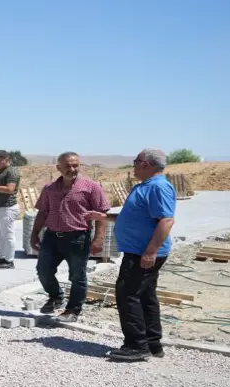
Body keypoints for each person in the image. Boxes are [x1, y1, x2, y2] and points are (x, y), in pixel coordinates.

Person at [85, 149, 175, 361]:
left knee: (128, 295)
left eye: (136, 162)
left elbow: (166, 221)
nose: (133, 166)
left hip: (143, 253)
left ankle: (136, 345)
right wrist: (105, 217)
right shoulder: (145, 186)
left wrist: (150, 251)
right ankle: (152, 343)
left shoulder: (158, 187)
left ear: (146, 164)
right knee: (145, 296)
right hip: (139, 252)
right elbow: (136, 217)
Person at [31, 152, 110, 322]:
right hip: (51, 237)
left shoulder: (91, 187)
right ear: (59, 167)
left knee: (77, 275)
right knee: (43, 270)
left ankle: (73, 310)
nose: (72, 169)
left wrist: (98, 239)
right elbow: (43, 212)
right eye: (67, 166)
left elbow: (101, 215)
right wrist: (34, 234)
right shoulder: (49, 188)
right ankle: (56, 297)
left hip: (77, 238)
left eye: (75, 165)